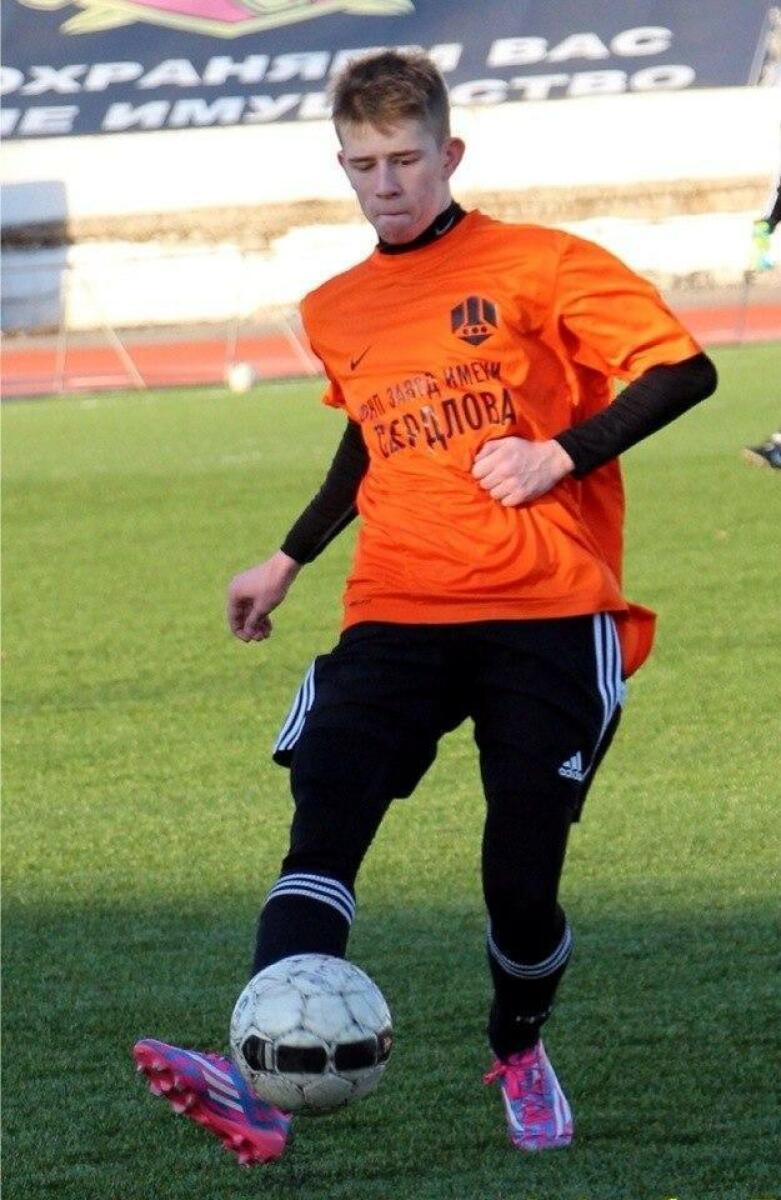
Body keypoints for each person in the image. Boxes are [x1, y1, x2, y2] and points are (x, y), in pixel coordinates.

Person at [133, 50, 717, 1164]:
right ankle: (255, 1084)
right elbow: (369, 434)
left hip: (546, 608)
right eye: (363, 165)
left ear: (448, 152)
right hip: (396, 605)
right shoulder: (335, 306)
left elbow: (683, 370)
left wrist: (558, 454)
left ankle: (517, 1047)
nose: (386, 183)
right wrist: (288, 557)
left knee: (520, 877)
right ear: (342, 165)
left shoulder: (542, 262)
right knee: (327, 806)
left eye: (404, 159)